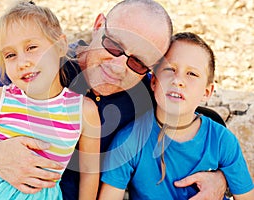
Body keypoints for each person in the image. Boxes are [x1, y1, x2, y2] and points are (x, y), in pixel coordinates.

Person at [0, 0, 228, 199]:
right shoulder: (33, 66)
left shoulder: (147, 95)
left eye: (138, 61)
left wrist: (222, 179)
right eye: (114, 46)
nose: (119, 66)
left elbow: (206, 125)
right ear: (98, 25)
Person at [0, 1, 100, 199]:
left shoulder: (84, 110)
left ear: (60, 46)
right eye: (11, 55)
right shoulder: (0, 100)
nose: (23, 62)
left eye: (31, 47)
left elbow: (90, 173)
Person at [99, 32, 254, 200]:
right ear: (153, 82)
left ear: (207, 92)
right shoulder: (129, 141)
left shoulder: (221, 140)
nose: (178, 80)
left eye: (192, 74)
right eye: (170, 69)